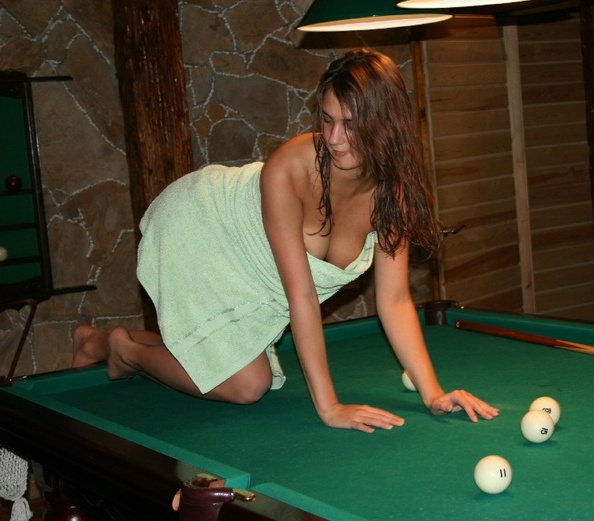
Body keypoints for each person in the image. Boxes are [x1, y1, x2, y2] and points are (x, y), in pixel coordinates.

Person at [72, 49, 499, 432]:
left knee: (242, 373)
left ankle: (101, 342)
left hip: (258, 274)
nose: (334, 138)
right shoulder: (290, 168)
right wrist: (329, 407)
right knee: (248, 385)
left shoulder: (392, 195)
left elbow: (395, 300)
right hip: (203, 227)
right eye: (327, 120)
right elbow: (303, 296)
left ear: (384, 124)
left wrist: (433, 393)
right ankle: (126, 354)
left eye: (351, 125)